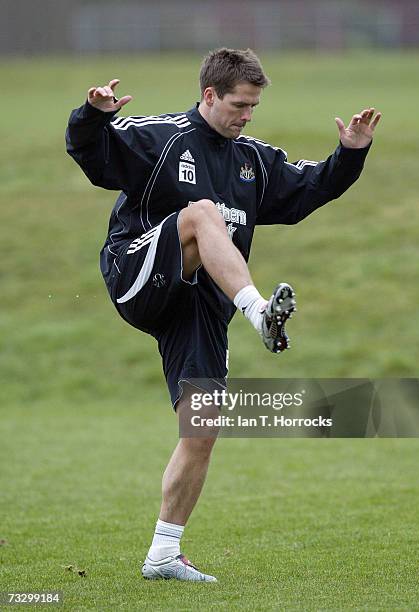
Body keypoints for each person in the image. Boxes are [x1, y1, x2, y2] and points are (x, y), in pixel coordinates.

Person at [66, 47, 381, 582]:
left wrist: (349, 153)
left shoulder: (253, 160)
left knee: (203, 425)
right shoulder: (162, 136)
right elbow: (93, 156)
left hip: (202, 306)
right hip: (138, 272)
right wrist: (93, 115)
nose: (247, 115)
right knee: (203, 214)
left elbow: (310, 190)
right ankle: (260, 312)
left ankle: (164, 553)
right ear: (209, 95)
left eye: (254, 106)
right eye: (239, 104)